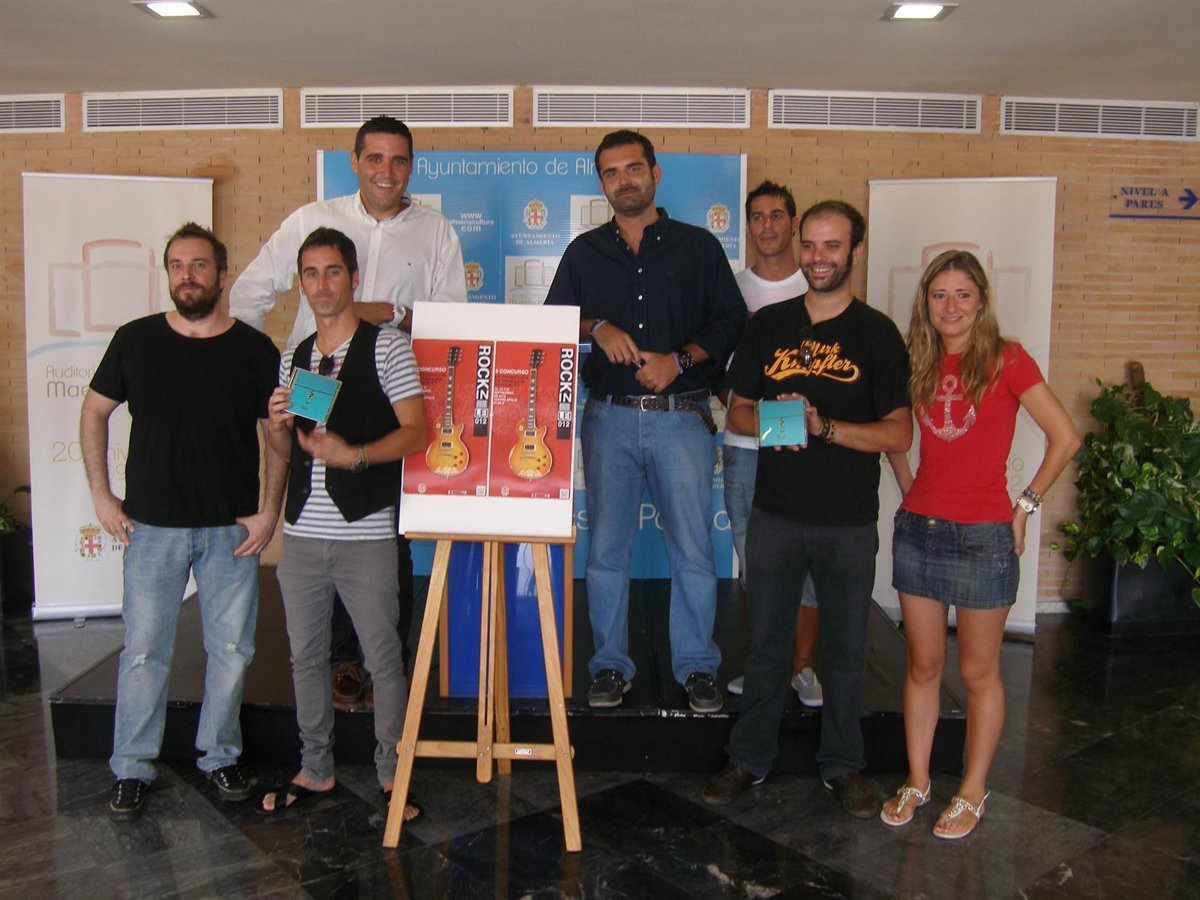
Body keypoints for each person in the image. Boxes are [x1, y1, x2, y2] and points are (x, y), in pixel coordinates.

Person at [230, 115, 466, 710]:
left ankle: (386, 658)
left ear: (411, 166)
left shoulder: (435, 231)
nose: (386, 171)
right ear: (355, 162)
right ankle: (341, 663)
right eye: (375, 159)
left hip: (390, 382)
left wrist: (394, 312)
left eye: (399, 160)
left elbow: (453, 320)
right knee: (318, 512)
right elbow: (248, 295)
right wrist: (271, 376)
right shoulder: (313, 219)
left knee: (387, 527)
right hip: (317, 378)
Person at [703, 200, 912, 818]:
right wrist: (780, 422)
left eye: (832, 246)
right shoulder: (770, 324)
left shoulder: (877, 334)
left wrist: (826, 429)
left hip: (849, 522)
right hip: (777, 513)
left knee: (845, 652)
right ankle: (749, 758)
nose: (819, 258)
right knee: (766, 646)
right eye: (812, 245)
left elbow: (898, 432)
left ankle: (843, 765)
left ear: (855, 251)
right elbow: (738, 413)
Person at [80, 222, 284, 820]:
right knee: (144, 652)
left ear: (221, 274)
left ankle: (219, 755)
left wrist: (269, 512)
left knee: (232, 650)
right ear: (167, 273)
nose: (187, 275)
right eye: (176, 265)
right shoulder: (135, 340)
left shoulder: (254, 350)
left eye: (199, 265)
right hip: (151, 529)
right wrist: (102, 497)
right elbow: (93, 413)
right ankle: (131, 767)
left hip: (231, 531)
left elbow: (277, 439)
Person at [880, 250, 1080, 838]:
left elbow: (1065, 437)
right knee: (922, 664)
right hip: (919, 534)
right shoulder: (916, 360)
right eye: (939, 295)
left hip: (984, 539)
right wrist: (913, 492)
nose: (951, 306)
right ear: (926, 303)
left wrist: (1026, 506)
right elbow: (897, 437)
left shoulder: (1006, 359)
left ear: (982, 301)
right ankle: (918, 781)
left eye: (962, 294)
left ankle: (972, 790)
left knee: (977, 672)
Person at [545, 130, 747, 712]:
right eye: (611, 173)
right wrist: (595, 326)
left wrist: (678, 360)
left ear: (655, 173)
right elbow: (552, 322)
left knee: (693, 551)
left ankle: (697, 666)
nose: (623, 181)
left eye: (633, 168)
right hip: (608, 421)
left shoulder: (698, 247)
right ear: (602, 183)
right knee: (606, 552)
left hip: (682, 420)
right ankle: (610, 665)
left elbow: (730, 321)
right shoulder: (584, 253)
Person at [259, 228, 427, 819]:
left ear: (354, 278)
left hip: (366, 534)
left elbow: (416, 432)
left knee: (382, 659)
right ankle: (316, 768)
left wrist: (354, 455)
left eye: (333, 272)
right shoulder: (297, 356)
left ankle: (392, 775)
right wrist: (276, 427)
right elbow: (289, 452)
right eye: (311, 274)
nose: (322, 285)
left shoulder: (387, 348)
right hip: (303, 535)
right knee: (306, 658)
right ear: (301, 283)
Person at [723, 180, 822, 708]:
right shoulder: (729, 292)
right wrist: (770, 423)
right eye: (757, 217)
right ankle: (765, 666)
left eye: (777, 215)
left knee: (805, 565)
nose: (767, 226)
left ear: (793, 223)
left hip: (808, 454)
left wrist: (792, 428)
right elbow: (718, 371)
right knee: (756, 566)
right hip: (744, 454)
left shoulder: (819, 290)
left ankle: (802, 667)